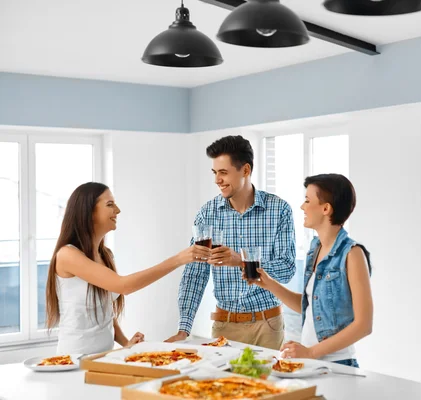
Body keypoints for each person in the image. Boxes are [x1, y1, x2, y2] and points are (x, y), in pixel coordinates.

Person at [165, 135, 296, 350]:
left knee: (268, 383)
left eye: (223, 172)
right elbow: (195, 273)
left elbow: (287, 270)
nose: (217, 179)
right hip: (224, 326)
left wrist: (242, 261)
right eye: (215, 173)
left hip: (269, 326)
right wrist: (184, 328)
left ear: (245, 170)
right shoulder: (207, 213)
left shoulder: (279, 210)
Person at [46, 182, 205, 355]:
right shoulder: (67, 255)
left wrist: (126, 343)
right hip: (75, 361)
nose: (118, 210)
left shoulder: (105, 255)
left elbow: (105, 310)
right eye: (110, 204)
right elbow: (124, 286)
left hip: (104, 358)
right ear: (88, 211)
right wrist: (178, 259)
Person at [246, 174, 373, 367]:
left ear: (325, 208)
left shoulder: (352, 254)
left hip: (338, 364)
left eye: (307, 200)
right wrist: (269, 284)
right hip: (309, 362)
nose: (302, 206)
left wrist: (311, 352)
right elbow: (309, 306)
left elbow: (364, 326)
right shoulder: (315, 249)